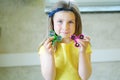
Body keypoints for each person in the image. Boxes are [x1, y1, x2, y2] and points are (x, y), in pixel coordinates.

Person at [38, 1, 92, 80]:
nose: (65, 27)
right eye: (60, 21)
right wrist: (50, 55)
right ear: (52, 23)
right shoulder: (46, 48)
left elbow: (85, 76)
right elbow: (49, 78)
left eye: (70, 22)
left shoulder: (83, 45)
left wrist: (82, 52)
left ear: (76, 24)